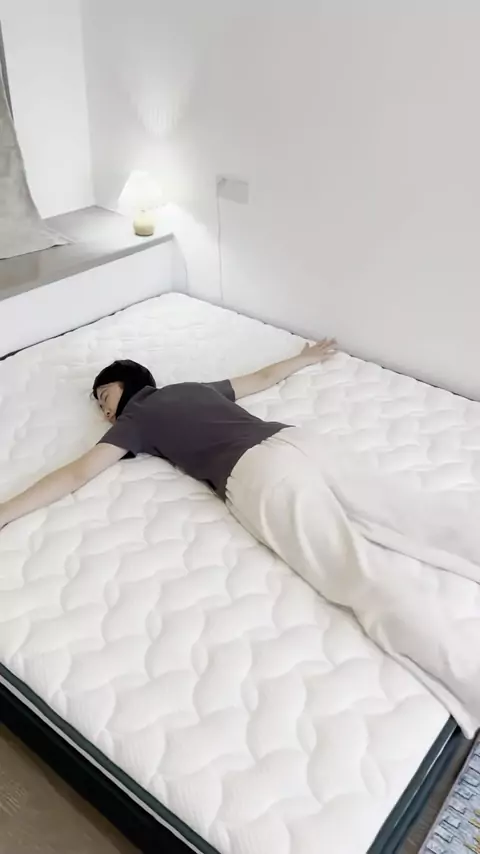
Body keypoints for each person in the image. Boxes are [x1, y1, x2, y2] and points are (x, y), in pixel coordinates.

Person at [0, 340, 370, 601]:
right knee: (382, 511)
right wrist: (305, 358)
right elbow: (259, 379)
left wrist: (4, 513)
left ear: (128, 384)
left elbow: (76, 474)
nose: (106, 412)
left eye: (105, 397)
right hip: (293, 439)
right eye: (100, 407)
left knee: (343, 569)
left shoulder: (136, 418)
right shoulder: (193, 388)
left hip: (255, 469)